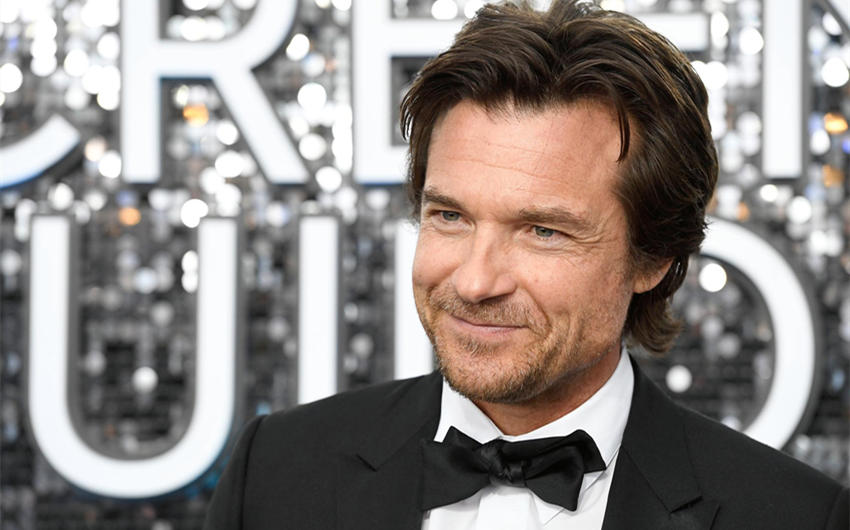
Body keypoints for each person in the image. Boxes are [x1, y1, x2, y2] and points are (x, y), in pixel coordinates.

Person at [204, 1, 849, 528]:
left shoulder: (794, 517)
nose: (475, 281)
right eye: (450, 216)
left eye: (543, 231)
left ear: (653, 256)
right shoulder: (274, 474)